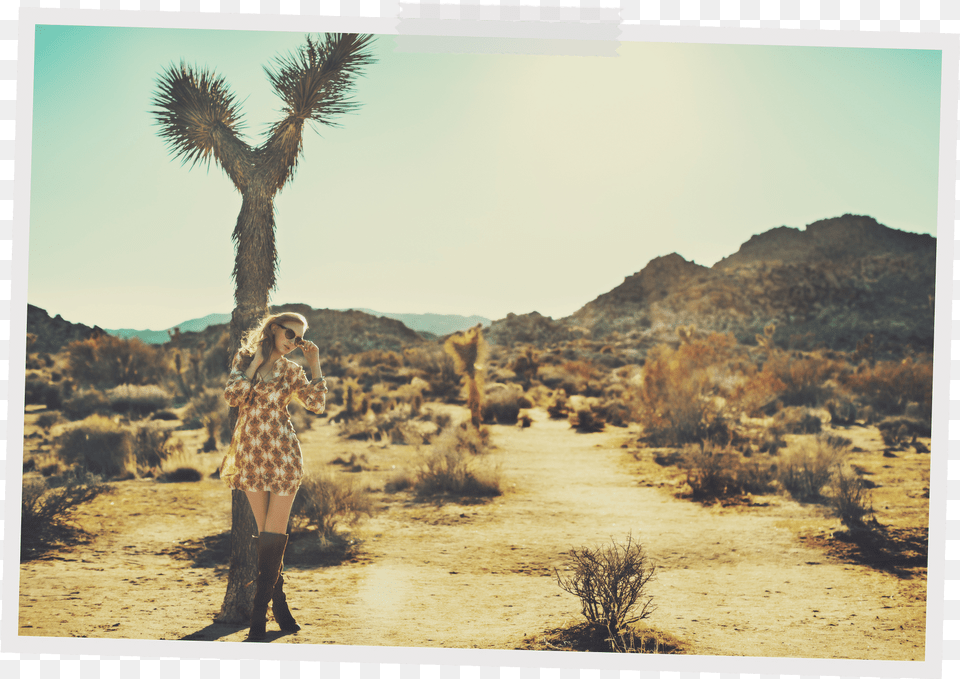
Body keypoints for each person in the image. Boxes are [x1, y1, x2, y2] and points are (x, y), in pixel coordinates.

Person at [221, 311, 328, 641]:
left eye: (299, 338)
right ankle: (278, 604)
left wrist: (314, 363)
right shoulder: (244, 359)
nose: (295, 342)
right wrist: (253, 366)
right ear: (273, 329)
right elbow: (232, 397)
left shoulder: (293, 370)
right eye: (290, 334)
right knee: (265, 538)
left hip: (283, 456)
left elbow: (317, 404)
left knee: (273, 535)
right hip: (251, 456)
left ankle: (257, 617)